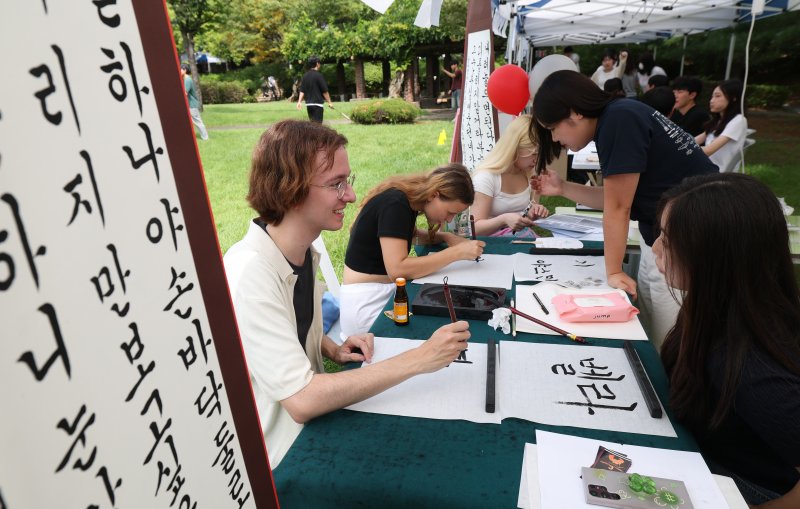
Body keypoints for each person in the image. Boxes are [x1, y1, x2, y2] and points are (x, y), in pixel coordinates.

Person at [223, 120, 472, 467]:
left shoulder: (301, 252)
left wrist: (330, 347)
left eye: (347, 181)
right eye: (336, 184)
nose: (351, 195)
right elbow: (302, 399)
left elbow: (283, 328)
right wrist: (420, 358)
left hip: (313, 431)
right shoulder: (251, 273)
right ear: (290, 188)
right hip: (281, 459)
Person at [529, 70, 717, 349]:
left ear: (575, 113)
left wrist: (614, 271)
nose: (555, 138)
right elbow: (616, 197)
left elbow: (619, 207)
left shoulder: (618, 120)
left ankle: (674, 377)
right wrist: (563, 188)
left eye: (553, 128)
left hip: (689, 238)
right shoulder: (618, 115)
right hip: (664, 234)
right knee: (651, 325)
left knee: (669, 338)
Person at [653, 173, 800, 507]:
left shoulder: (752, 371)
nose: (655, 248)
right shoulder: (719, 308)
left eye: (668, 241)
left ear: (714, 259)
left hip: (745, 486)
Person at [340, 164, 485, 337]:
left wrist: (446, 237)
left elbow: (410, 235)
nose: (449, 219)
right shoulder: (395, 204)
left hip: (379, 291)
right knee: (435, 329)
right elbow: (397, 270)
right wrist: (456, 253)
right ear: (434, 195)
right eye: (450, 212)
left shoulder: (405, 201)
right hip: (366, 303)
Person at [471, 115, 550, 237]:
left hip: (517, 238)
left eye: (539, 154)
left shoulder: (526, 173)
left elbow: (519, 214)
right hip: (491, 243)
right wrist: (503, 220)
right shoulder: (486, 177)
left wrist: (531, 212)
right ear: (514, 148)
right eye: (533, 154)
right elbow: (474, 229)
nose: (536, 160)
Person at [695, 79, 748, 173]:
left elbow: (708, 151)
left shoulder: (739, 120)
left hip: (718, 173)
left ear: (733, 98)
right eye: (712, 96)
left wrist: (685, 148)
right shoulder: (718, 121)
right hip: (707, 169)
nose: (711, 101)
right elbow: (693, 141)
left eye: (717, 96)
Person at [296, 56, 333, 123]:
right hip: (317, 105)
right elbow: (325, 91)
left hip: (309, 105)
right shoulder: (319, 76)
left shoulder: (305, 76)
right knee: (318, 126)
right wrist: (329, 102)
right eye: (319, 63)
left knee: (313, 125)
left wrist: (299, 101)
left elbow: (302, 90)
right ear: (317, 64)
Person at [180, 63, 208, 141]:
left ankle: (205, 137)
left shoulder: (187, 80)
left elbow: (185, 93)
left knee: (197, 121)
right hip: (189, 104)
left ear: (185, 70)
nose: (179, 71)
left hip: (191, 105)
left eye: (180, 69)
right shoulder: (185, 79)